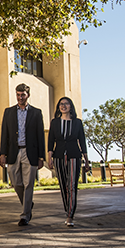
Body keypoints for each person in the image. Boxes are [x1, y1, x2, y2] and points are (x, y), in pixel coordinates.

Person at [0, 83, 45, 226]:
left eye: (23, 95)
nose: (20, 97)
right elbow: (4, 134)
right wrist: (2, 153)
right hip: (14, 152)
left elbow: (40, 136)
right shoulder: (8, 112)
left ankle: (25, 215)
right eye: (18, 95)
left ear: (28, 95)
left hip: (30, 152)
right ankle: (28, 203)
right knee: (16, 183)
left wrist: (41, 157)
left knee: (28, 184)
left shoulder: (36, 113)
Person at [46, 96, 89, 227]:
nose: (63, 106)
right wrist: (50, 157)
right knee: (63, 185)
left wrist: (86, 160)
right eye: (61, 104)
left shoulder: (77, 123)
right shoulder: (54, 122)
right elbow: (50, 141)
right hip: (58, 156)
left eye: (66, 104)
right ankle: (68, 209)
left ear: (71, 106)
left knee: (72, 186)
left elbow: (82, 141)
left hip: (74, 156)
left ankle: (70, 215)